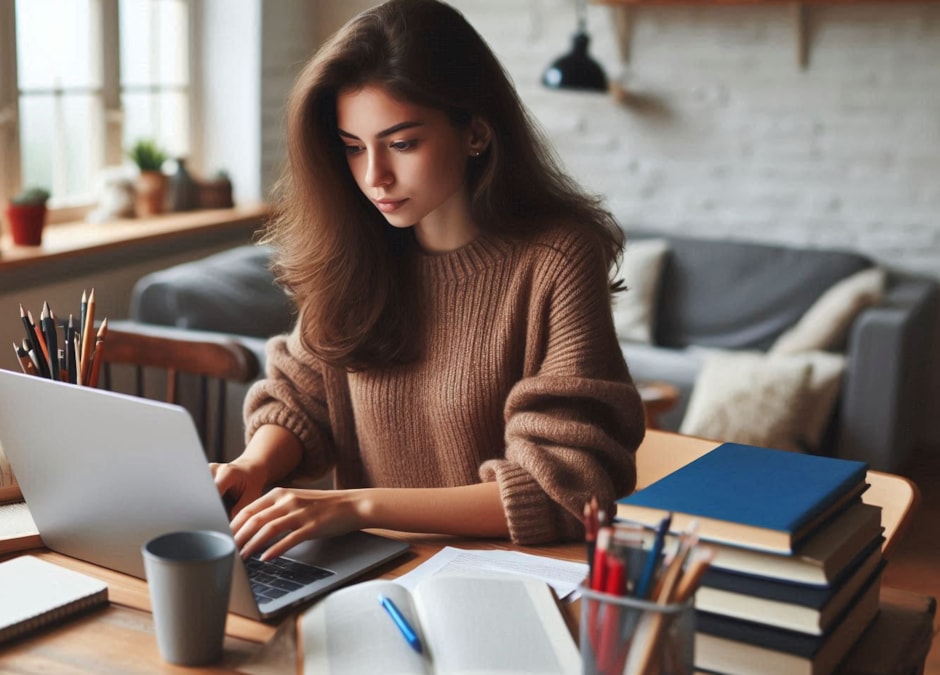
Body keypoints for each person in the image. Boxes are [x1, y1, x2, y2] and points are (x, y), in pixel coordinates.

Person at [212, 0, 645, 561]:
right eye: (352, 148)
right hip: (372, 578)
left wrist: (357, 507)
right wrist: (253, 465)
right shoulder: (358, 248)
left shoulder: (556, 259)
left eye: (402, 143)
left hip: (506, 581)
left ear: (476, 133)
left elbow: (563, 487)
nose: (374, 177)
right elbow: (303, 395)